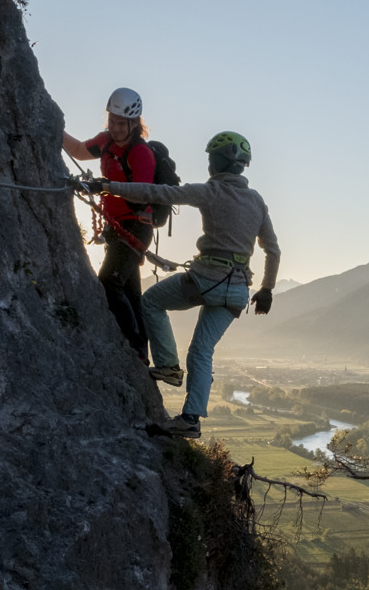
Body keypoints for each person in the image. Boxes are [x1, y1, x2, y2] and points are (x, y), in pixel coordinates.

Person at [88, 131, 278, 439]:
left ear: (216, 162)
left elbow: (156, 193)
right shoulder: (257, 201)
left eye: (209, 158)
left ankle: (167, 367)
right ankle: (190, 420)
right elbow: (273, 249)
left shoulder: (210, 191)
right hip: (238, 289)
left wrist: (107, 187)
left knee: (151, 302)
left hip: (206, 279)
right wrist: (267, 288)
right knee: (202, 351)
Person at [62, 87, 156, 360]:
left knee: (109, 282)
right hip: (116, 227)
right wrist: (56, 129)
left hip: (136, 226)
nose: (114, 128)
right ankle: (141, 352)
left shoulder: (141, 153)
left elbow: (140, 193)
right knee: (130, 290)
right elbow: (80, 151)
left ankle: (133, 344)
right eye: (112, 121)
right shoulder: (105, 142)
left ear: (133, 124)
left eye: (120, 123)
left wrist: (102, 187)